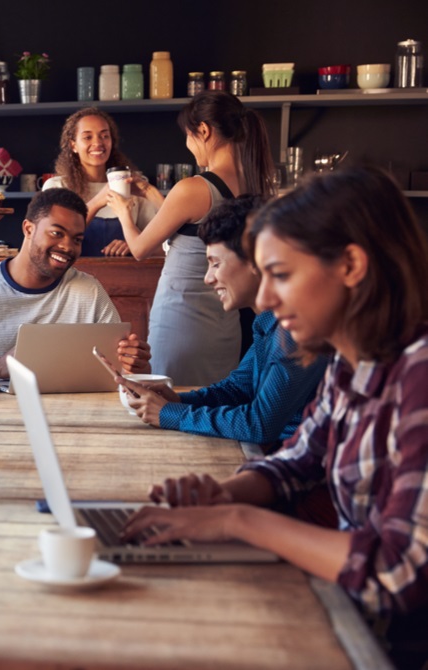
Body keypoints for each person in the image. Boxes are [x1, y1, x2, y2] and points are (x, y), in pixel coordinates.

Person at [122, 167, 428, 668]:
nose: (263, 300)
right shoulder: (354, 365)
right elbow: (296, 463)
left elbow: (398, 574)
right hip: (346, 619)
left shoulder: (418, 376)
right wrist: (222, 495)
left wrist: (237, 520)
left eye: (281, 276)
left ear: (350, 265)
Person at [123, 195, 327, 450]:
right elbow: (237, 389)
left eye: (215, 264)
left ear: (256, 260)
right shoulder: (269, 322)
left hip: (300, 471)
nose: (208, 278)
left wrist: (170, 414)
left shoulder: (295, 329)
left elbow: (260, 424)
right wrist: (177, 401)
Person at [110, 90, 276, 387]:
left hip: (181, 320)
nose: (188, 145)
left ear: (203, 131)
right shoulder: (255, 184)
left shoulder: (193, 188)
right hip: (225, 326)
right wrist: (151, 194)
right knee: (213, 405)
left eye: (188, 136)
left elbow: (139, 249)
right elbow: (197, 228)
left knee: (171, 406)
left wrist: (123, 211)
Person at [0, 188, 150, 379]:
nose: (67, 246)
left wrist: (136, 362)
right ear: (28, 229)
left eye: (77, 239)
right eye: (56, 233)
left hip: (70, 418)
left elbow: (122, 370)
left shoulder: (88, 291)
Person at [42, 107, 159, 257]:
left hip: (126, 277)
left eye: (104, 136)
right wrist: (98, 201)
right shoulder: (56, 187)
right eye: (87, 137)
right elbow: (51, 241)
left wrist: (133, 245)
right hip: (72, 277)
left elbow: (163, 246)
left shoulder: (134, 185)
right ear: (73, 145)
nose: (98, 143)